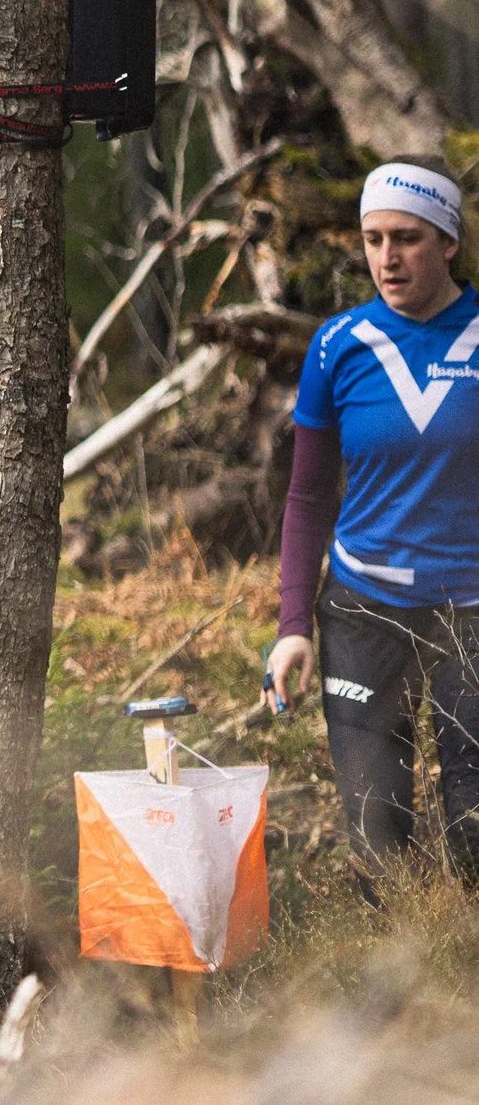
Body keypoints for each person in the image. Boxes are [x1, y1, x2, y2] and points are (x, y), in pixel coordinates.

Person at [264, 160, 479, 893]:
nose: (386, 257)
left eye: (407, 239)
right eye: (373, 238)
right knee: (378, 845)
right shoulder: (337, 344)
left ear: (449, 241)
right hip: (362, 609)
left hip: (471, 610)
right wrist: (294, 623)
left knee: (474, 827)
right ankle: (394, 988)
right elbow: (308, 497)